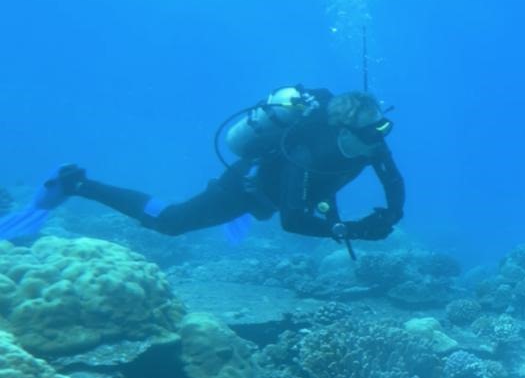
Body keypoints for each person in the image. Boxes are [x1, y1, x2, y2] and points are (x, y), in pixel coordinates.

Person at [0, 87, 403, 244]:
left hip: (290, 193)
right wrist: (351, 230)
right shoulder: (306, 154)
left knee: (296, 202)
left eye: (382, 129)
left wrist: (393, 213)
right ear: (343, 130)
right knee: (170, 222)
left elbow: (393, 180)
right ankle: (77, 183)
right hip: (245, 186)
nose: (379, 140)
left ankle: (249, 214)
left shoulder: (371, 142)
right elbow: (293, 222)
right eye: (370, 133)